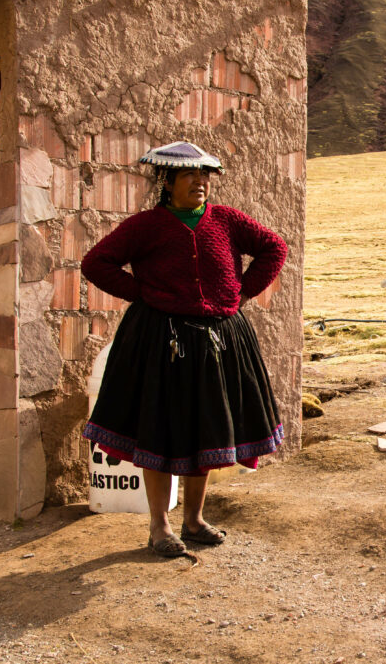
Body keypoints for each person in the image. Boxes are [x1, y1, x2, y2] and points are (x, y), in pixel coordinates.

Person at [81, 141, 287, 557]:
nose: (200, 182)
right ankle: (159, 527)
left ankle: (193, 520)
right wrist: (143, 294)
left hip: (218, 339)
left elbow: (274, 248)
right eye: (190, 175)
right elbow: (95, 263)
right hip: (161, 340)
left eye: (204, 175)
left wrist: (239, 293)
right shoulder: (145, 226)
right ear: (168, 182)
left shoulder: (226, 220)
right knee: (158, 430)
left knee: (205, 428)